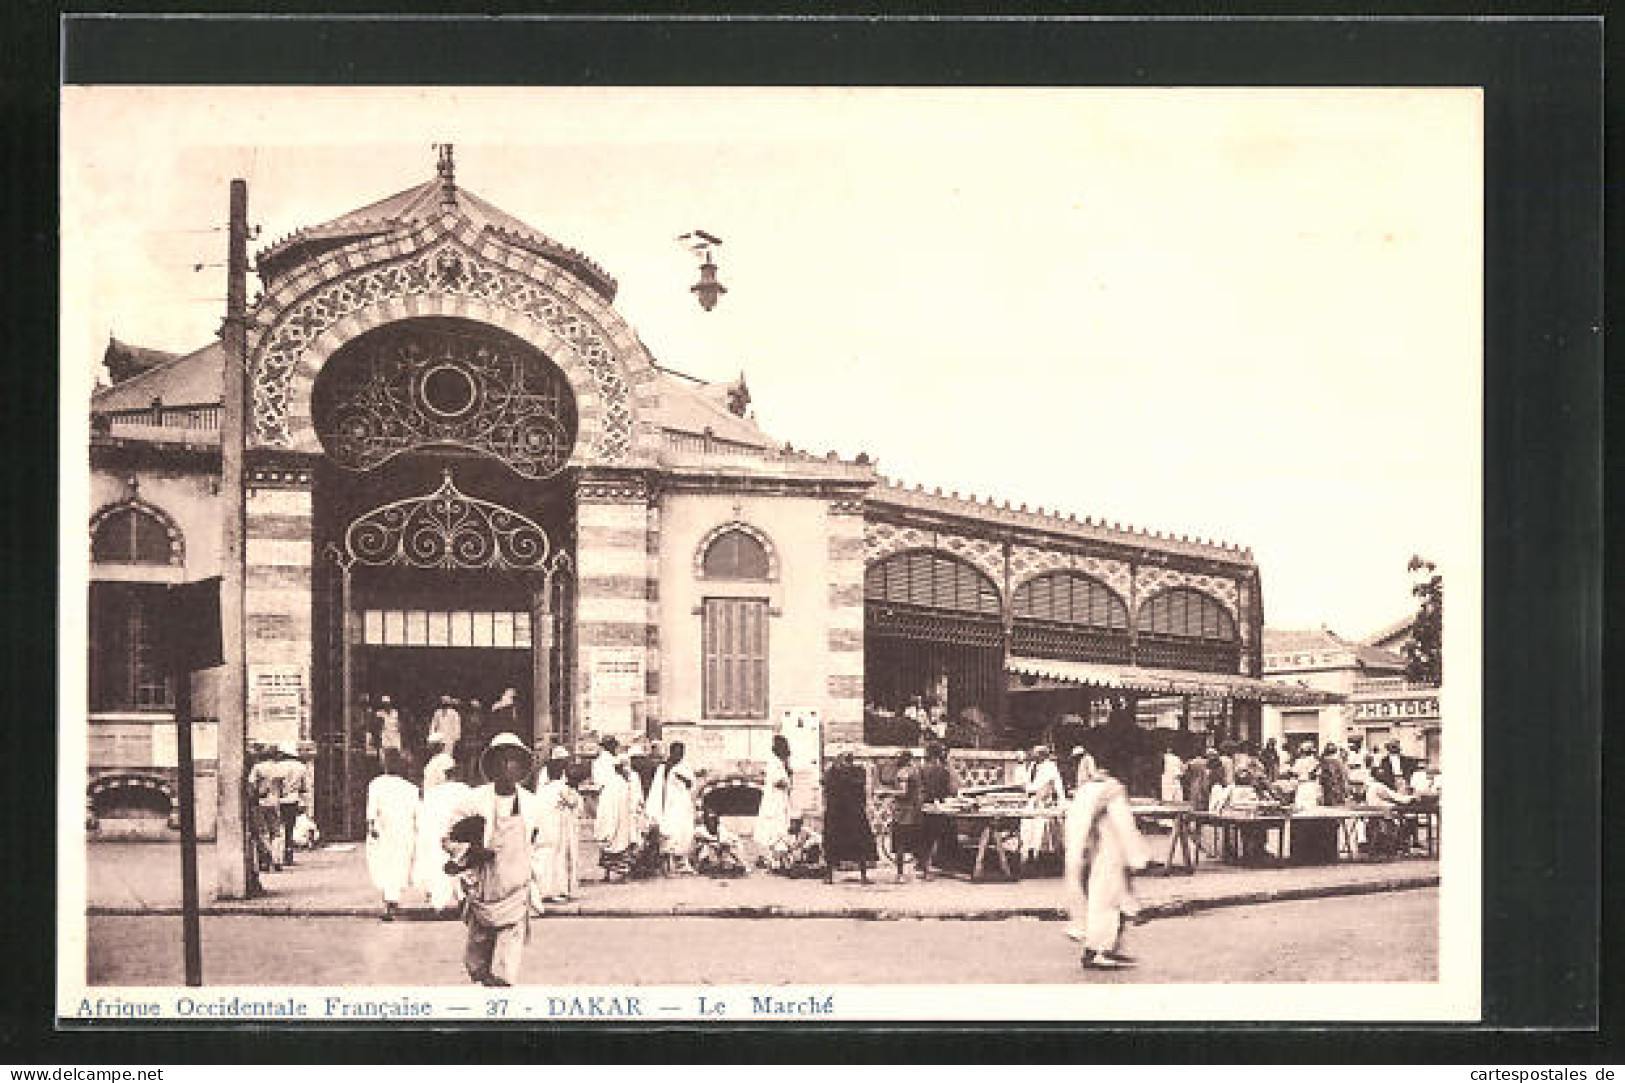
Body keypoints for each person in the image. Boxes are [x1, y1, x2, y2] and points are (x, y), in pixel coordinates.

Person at [445, 732, 545, 987]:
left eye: (513, 761)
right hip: (483, 890)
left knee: (505, 968)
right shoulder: (473, 800)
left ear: (522, 767)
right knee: (478, 963)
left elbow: (541, 845)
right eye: (500, 760)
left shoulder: (532, 805)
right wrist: (470, 853)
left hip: (516, 891)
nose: (506, 767)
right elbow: (449, 838)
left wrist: (534, 878)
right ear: (491, 765)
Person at [1064, 754, 1149, 970]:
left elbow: (1077, 823)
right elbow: (1124, 825)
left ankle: (1105, 948)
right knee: (1107, 903)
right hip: (1109, 853)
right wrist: (1137, 857)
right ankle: (1096, 952)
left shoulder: (1085, 790)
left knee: (1110, 901)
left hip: (1091, 852)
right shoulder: (1112, 790)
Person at [365, 749, 419, 921]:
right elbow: (417, 813)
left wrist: (372, 826)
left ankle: (389, 901)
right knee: (399, 864)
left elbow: (372, 810)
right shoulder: (411, 788)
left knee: (383, 863)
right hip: (404, 830)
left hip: (385, 829)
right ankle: (392, 899)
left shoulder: (376, 784)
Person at [415, 759, 472, 912]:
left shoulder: (433, 793)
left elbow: (423, 817)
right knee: (460, 865)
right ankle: (462, 898)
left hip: (437, 834)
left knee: (438, 867)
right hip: (458, 834)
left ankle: (438, 900)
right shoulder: (464, 789)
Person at [534, 747, 582, 903]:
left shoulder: (544, 789)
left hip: (545, 826)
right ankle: (558, 890)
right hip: (559, 827)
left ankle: (544, 889)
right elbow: (575, 803)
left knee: (547, 857)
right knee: (559, 857)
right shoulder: (562, 789)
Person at [821, 750, 877, 883]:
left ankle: (829, 876)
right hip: (853, 815)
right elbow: (862, 793)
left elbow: (825, 789)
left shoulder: (832, 774)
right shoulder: (857, 774)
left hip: (837, 815)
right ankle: (862, 876)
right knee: (860, 845)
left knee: (833, 845)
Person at [647, 742, 698, 874]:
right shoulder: (663, 768)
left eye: (682, 752)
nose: (680, 755)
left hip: (682, 804)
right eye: (677, 752)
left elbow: (692, 785)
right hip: (668, 805)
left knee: (683, 832)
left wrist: (683, 779)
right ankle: (668, 864)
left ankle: (682, 862)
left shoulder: (685, 766)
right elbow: (657, 788)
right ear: (671, 752)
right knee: (669, 832)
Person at [595, 753, 643, 881]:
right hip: (616, 818)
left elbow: (636, 797)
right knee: (617, 844)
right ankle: (612, 873)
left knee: (622, 844)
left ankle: (620, 873)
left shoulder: (627, 780)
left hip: (624, 818)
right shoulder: (614, 782)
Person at [917, 741, 959, 876]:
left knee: (925, 838)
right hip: (940, 807)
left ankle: (923, 866)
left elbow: (919, 788)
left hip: (924, 806)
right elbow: (951, 790)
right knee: (946, 834)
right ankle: (944, 863)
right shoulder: (943, 771)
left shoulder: (921, 769)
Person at [1020, 745, 1066, 866]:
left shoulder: (1050, 766)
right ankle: (1028, 852)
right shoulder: (1032, 766)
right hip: (1031, 799)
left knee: (1040, 829)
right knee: (1027, 826)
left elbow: (1057, 783)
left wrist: (1061, 800)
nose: (1034, 756)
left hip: (1043, 801)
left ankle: (1038, 855)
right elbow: (1028, 782)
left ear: (1042, 755)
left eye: (1036, 754)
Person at [755, 735, 795, 860]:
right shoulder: (774, 762)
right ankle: (774, 855)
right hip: (775, 798)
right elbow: (778, 781)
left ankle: (778, 854)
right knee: (774, 826)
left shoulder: (781, 763)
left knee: (781, 824)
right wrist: (787, 782)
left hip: (780, 799)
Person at [271, 742, 310, 868]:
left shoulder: (277, 766)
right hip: (293, 800)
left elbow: (274, 784)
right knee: (290, 828)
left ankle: (276, 857)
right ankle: (288, 855)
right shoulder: (301, 767)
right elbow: (304, 787)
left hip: (277, 800)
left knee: (277, 829)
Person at [246, 746, 281, 873]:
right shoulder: (279, 767)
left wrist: (252, 798)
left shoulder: (258, 767)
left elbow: (251, 785)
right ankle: (277, 859)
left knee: (262, 832)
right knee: (276, 832)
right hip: (275, 802)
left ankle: (267, 857)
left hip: (261, 802)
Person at [890, 749, 924, 882]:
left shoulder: (903, 772)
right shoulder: (915, 771)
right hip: (914, 810)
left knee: (900, 845)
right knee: (917, 842)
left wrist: (888, 793)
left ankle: (900, 874)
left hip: (903, 812)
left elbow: (903, 793)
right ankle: (923, 871)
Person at [693, 811, 747, 876]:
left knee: (730, 847)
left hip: (721, 852)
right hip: (705, 854)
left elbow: (725, 843)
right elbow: (701, 840)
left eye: (714, 820)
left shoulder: (721, 830)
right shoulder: (700, 830)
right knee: (704, 847)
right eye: (709, 820)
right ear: (705, 822)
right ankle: (701, 866)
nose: (712, 823)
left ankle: (731, 864)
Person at [428, 695, 462, 761]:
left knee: (447, 756)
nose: (444, 704)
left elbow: (457, 726)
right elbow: (433, 725)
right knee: (437, 757)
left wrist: (455, 738)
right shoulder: (437, 713)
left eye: (446, 703)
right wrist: (432, 736)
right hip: (438, 739)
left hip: (449, 739)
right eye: (443, 702)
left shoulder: (454, 714)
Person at [1319, 742, 1352, 806]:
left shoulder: (1323, 761)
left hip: (1328, 785)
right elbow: (1343, 774)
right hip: (1335, 784)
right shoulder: (1337, 761)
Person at [374, 695, 404, 764]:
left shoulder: (395, 713)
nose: (386, 705)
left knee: (397, 753)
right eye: (384, 704)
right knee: (385, 754)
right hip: (385, 735)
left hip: (395, 735)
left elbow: (399, 724)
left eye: (387, 703)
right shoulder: (379, 713)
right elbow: (377, 726)